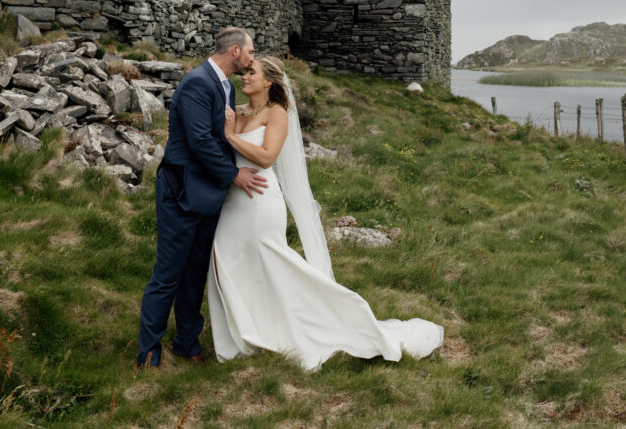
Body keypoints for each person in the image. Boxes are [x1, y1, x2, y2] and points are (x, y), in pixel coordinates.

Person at [207, 55, 444, 372]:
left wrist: (230, 136)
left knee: (273, 263)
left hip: (260, 203)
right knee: (229, 261)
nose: (244, 76)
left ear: (269, 82)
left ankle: (331, 317)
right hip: (233, 201)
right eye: (244, 71)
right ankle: (246, 335)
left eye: (251, 72)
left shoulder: (276, 114)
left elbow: (265, 158)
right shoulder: (235, 113)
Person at [136, 26, 266, 368]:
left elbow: (219, 136)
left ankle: (187, 342)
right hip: (181, 190)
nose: (253, 58)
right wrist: (234, 174)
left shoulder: (225, 85)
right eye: (250, 51)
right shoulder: (196, 82)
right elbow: (199, 141)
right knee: (169, 273)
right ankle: (148, 353)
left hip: (208, 193)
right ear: (235, 50)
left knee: (195, 272)